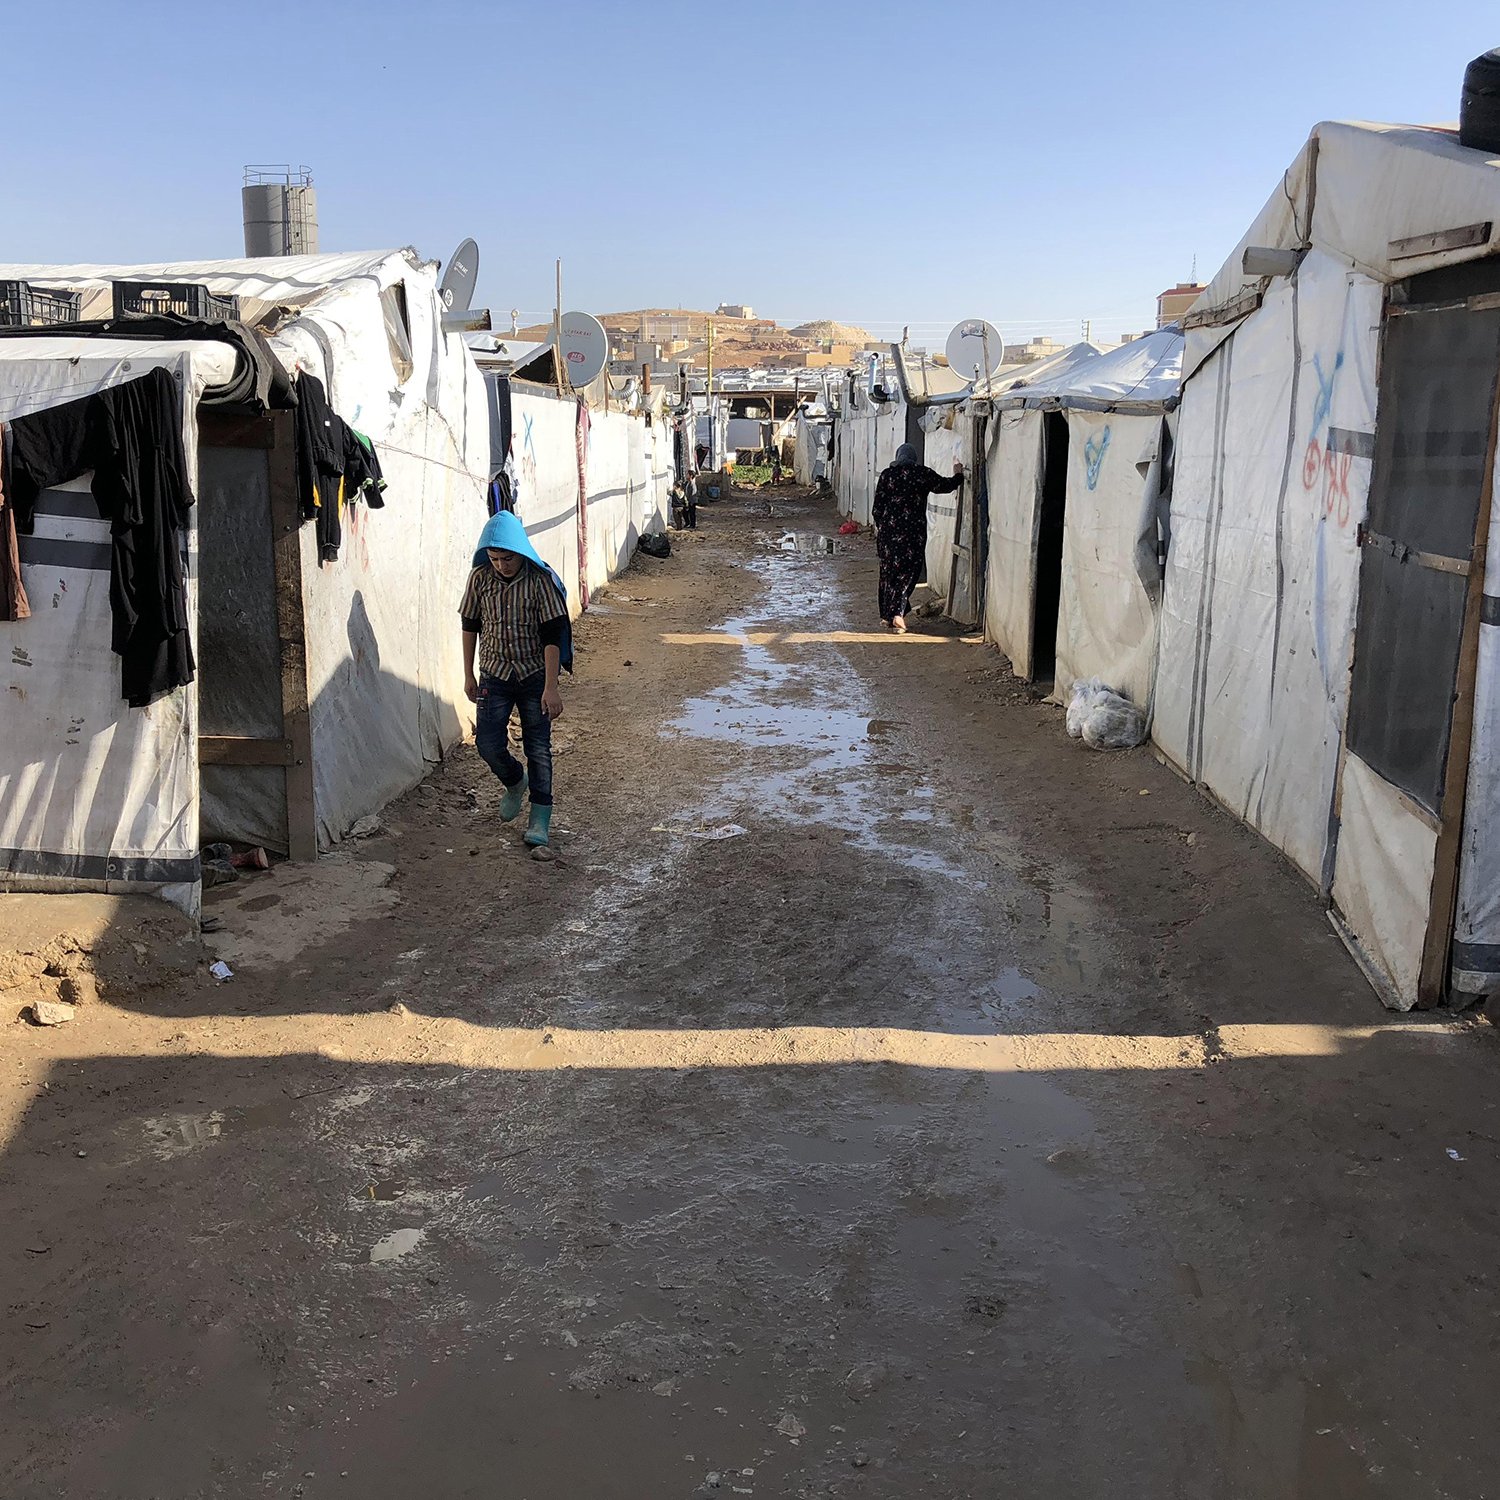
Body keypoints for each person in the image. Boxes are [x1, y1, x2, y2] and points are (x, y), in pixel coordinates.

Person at [460, 511, 573, 849]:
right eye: (494, 558)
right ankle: (514, 781)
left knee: (538, 748)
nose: (501, 565)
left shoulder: (540, 581)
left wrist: (550, 687)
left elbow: (553, 633)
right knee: (488, 744)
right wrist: (468, 674)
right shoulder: (480, 579)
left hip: (533, 674)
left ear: (519, 552)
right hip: (494, 673)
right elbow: (469, 624)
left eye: (506, 558)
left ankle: (540, 818)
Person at [872, 443, 963, 632]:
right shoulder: (921, 473)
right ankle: (897, 614)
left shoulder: (887, 475)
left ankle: (889, 614)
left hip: (889, 534)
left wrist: (883, 529)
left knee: (889, 573)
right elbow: (944, 486)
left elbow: (877, 508)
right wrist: (959, 475)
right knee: (907, 572)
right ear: (913, 458)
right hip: (912, 533)